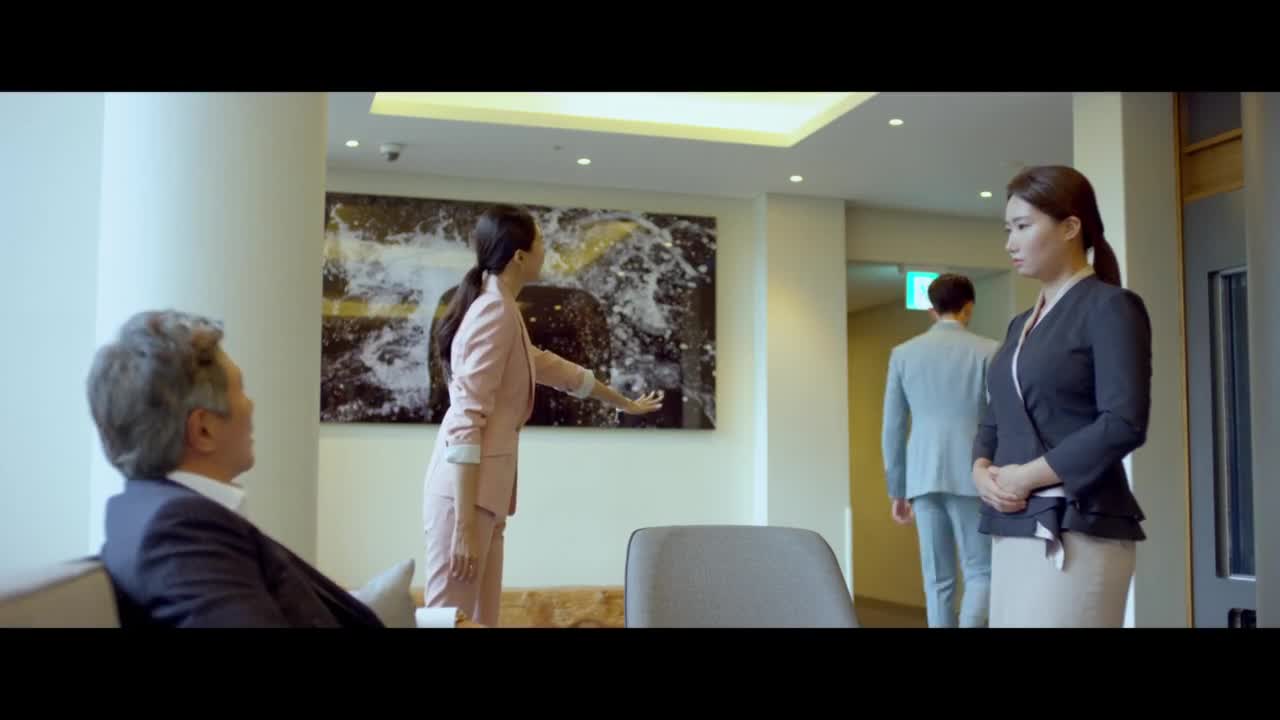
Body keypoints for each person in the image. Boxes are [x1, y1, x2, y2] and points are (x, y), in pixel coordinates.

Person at [91, 310, 477, 627]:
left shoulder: (155, 515)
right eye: (240, 390)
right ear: (203, 429)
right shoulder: (178, 532)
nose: (250, 405)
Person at [422, 204, 664, 627]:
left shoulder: (501, 308)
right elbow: (465, 419)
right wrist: (463, 524)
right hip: (465, 500)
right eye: (541, 242)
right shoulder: (493, 311)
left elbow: (549, 367)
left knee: (479, 621)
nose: (546, 249)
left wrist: (621, 402)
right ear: (520, 256)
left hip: (485, 499)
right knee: (448, 620)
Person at [972, 165, 1152, 628]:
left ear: (1071, 227)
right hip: (1014, 523)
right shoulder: (1019, 324)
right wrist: (981, 471)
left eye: (1022, 227)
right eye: (1007, 230)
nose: (1010, 243)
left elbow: (1123, 422)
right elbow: (996, 415)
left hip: (1078, 522)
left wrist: (1025, 477)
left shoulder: (1110, 307)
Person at [882, 273, 999, 628]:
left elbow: (893, 428)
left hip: (922, 478)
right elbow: (1001, 420)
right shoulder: (989, 350)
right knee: (981, 571)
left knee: (937, 579)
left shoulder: (903, 354)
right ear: (969, 307)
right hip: (974, 473)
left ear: (931, 309)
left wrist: (897, 489)